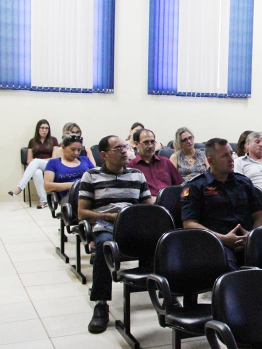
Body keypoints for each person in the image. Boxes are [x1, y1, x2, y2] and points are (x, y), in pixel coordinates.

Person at [78, 135, 154, 334]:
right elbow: (82, 212)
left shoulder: (137, 175)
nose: (124, 151)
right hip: (107, 226)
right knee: (104, 248)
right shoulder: (91, 176)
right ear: (103, 154)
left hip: (133, 226)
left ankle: (165, 292)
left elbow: (149, 208)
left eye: (125, 147)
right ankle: (101, 304)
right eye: (118, 148)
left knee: (161, 243)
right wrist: (110, 216)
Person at [182, 138, 262, 270]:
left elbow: (259, 214)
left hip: (248, 240)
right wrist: (223, 238)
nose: (231, 159)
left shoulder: (243, 182)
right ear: (210, 161)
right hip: (217, 244)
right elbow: (189, 224)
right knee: (227, 267)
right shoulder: (195, 186)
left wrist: (251, 235)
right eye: (224, 156)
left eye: (231, 154)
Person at [9, 119, 59, 208]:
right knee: (37, 172)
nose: (44, 130)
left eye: (46, 128)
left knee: (36, 161)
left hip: (51, 165)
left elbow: (54, 159)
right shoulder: (32, 141)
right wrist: (37, 162)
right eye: (42, 128)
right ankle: (44, 200)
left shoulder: (53, 140)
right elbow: (29, 160)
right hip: (38, 166)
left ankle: (20, 187)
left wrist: (38, 161)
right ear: (38, 129)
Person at [129, 129, 184, 196]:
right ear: (136, 144)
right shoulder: (131, 167)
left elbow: (180, 185)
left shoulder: (165, 162)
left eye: (152, 142)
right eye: (146, 142)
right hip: (147, 204)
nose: (150, 146)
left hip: (170, 201)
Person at [44, 135, 95, 204]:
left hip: (89, 193)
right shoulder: (53, 163)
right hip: (70, 195)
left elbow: (96, 176)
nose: (76, 153)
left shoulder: (85, 160)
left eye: (79, 150)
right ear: (63, 147)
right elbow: (47, 186)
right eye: (72, 149)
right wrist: (76, 185)